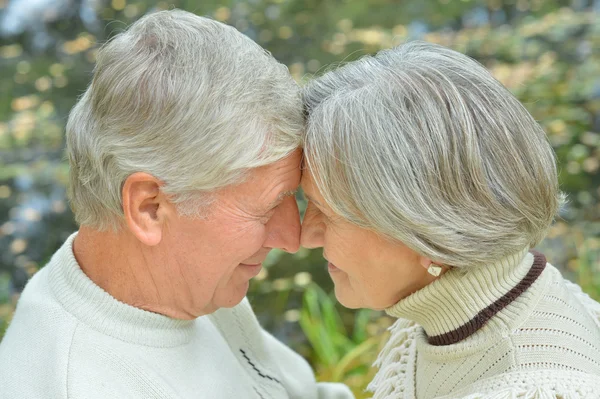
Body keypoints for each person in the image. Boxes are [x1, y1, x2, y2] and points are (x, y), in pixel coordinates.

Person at [0, 10, 354, 399]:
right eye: (268, 207)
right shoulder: (76, 384)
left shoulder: (185, 280)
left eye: (292, 196)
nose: (293, 237)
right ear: (149, 208)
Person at [300, 41, 600, 398]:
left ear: (430, 231)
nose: (306, 235)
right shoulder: (470, 311)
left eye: (328, 212)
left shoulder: (530, 387)